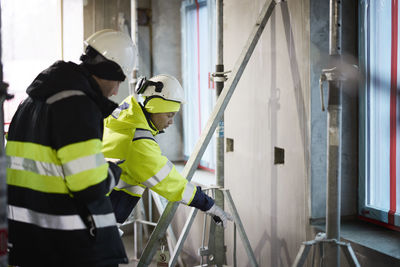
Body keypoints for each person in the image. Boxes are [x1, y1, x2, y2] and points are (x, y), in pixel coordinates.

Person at [6, 29, 135, 267]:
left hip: (27, 236)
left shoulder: (31, 102)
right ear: (109, 72)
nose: (117, 91)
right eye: (118, 80)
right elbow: (89, 185)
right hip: (66, 242)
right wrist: (111, 172)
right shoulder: (77, 105)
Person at [102, 74, 233, 227]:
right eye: (169, 115)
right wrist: (208, 204)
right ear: (154, 108)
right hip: (99, 218)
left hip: (96, 208)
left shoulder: (122, 118)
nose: (171, 122)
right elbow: (169, 182)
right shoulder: (137, 141)